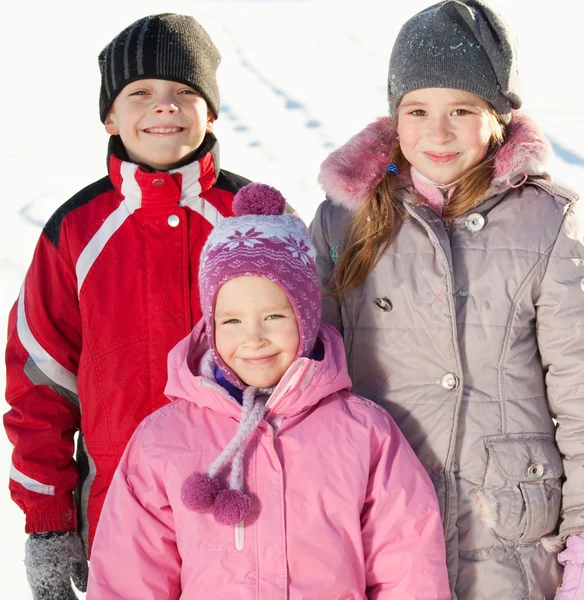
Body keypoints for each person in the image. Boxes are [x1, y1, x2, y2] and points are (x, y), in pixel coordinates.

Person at [309, 1, 584, 598]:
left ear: (499, 117)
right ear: (394, 119)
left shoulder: (549, 223)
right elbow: (309, 385)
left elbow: (581, 395)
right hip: (379, 531)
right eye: (418, 110)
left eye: (461, 110)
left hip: (511, 540)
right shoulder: (344, 221)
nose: (438, 132)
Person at [85, 183, 450, 599]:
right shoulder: (162, 439)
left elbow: (408, 564)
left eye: (274, 316)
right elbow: (129, 575)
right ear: (211, 324)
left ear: (306, 317)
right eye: (232, 321)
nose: (253, 338)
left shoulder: (365, 432)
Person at [4, 13, 253, 599]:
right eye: (140, 92)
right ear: (110, 116)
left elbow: (306, 362)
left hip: (244, 509)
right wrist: (48, 524)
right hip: (118, 513)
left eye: (183, 93)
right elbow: (40, 378)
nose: (163, 107)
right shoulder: (76, 231)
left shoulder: (251, 216)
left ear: (210, 112)